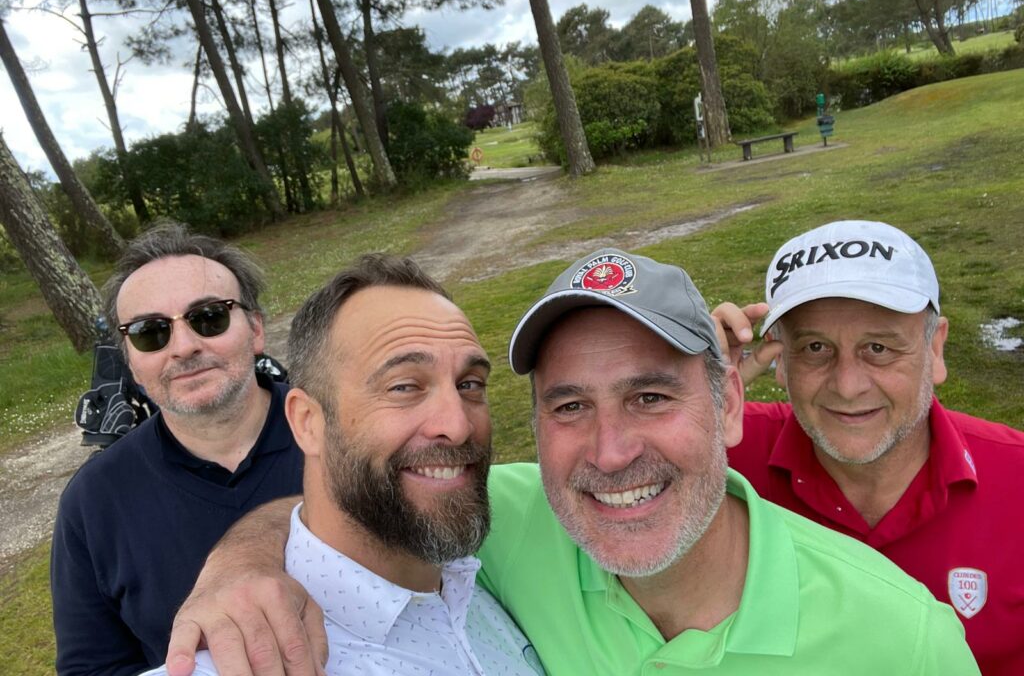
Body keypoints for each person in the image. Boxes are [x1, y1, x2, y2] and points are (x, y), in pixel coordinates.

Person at [164, 249, 979, 676]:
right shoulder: (513, 518)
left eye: (651, 396)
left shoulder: (903, 641)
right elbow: (363, 498)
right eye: (569, 406)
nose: (611, 452)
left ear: (729, 402)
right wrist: (243, 562)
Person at [142, 254, 541, 676]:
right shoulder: (237, 666)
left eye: (470, 384)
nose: (457, 426)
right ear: (307, 422)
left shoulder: (492, 573)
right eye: (404, 386)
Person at [714, 219, 1024, 676]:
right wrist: (698, 387)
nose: (848, 385)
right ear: (779, 360)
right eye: (815, 347)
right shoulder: (719, 454)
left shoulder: (1017, 478)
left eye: (878, 348)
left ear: (935, 349)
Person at [51, 222, 304, 676]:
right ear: (130, 360)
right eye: (150, 332)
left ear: (256, 329)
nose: (184, 347)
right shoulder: (93, 501)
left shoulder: (348, 432)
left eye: (209, 317)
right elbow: (93, 667)